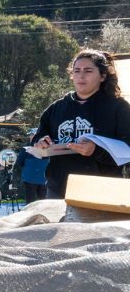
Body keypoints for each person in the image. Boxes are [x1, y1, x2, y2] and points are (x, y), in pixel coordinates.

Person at [32, 49, 130, 198]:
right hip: (59, 190)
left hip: (103, 190)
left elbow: (127, 146)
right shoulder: (56, 108)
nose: (81, 75)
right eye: (76, 71)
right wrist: (40, 143)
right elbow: (39, 137)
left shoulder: (118, 107)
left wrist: (96, 151)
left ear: (102, 76)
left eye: (88, 71)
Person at [16, 134, 49, 204]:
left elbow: (19, 162)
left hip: (31, 178)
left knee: (31, 202)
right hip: (42, 179)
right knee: (43, 202)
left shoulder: (26, 149)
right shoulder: (47, 149)